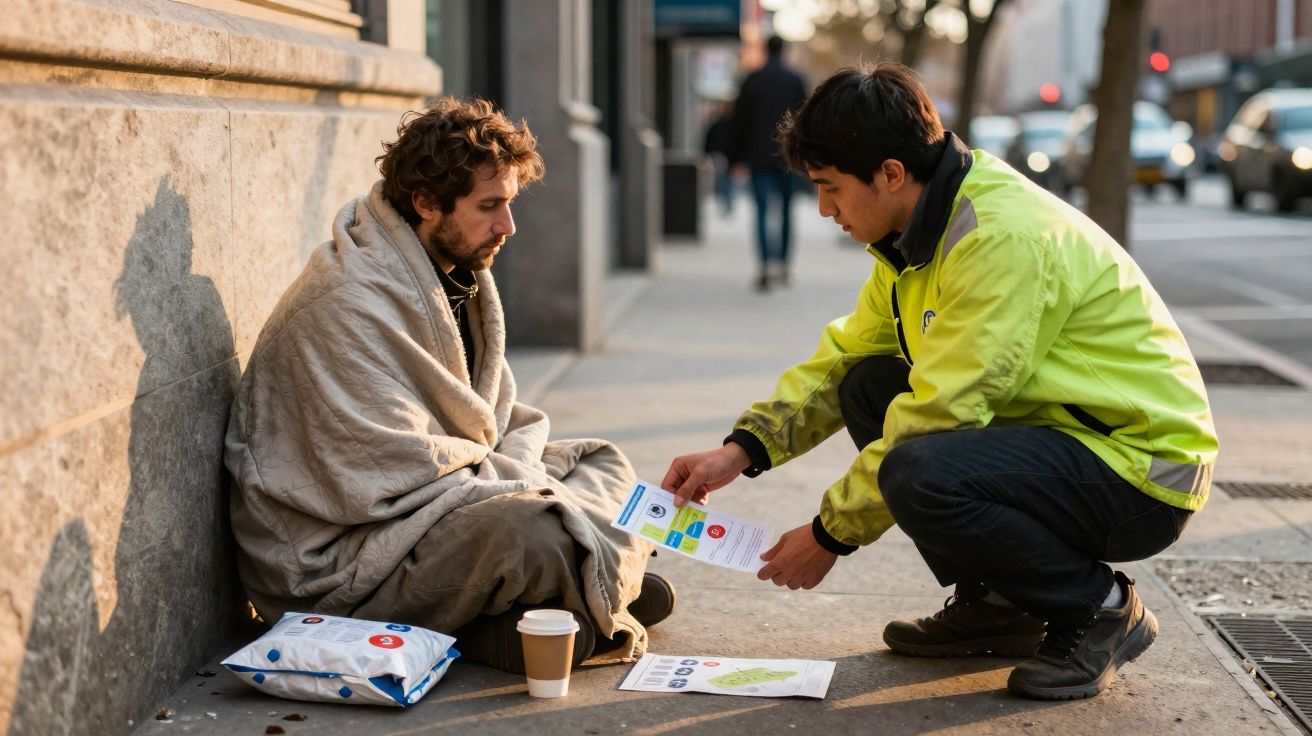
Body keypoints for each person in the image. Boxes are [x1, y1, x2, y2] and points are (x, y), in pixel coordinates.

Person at [662, 64, 1217, 701]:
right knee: (868, 384)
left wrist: (829, 534)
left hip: (1142, 469)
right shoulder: (916, 233)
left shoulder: (1000, 238)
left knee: (918, 469)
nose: (824, 209)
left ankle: (1100, 608)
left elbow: (942, 412)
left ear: (890, 174)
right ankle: (1002, 604)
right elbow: (845, 356)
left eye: (831, 188)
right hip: (1066, 439)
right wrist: (742, 450)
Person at [225, 98, 675, 674]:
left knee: (603, 465)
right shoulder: (346, 304)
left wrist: (537, 484)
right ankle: (588, 586)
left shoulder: (450, 275)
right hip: (346, 565)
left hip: (437, 508)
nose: (507, 226)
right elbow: (387, 474)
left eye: (509, 203)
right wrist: (542, 498)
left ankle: (580, 588)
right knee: (533, 532)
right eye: (489, 207)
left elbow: (488, 425)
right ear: (426, 203)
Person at [731, 35, 808, 291]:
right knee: (787, 212)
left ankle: (765, 265)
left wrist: (736, 158)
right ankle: (784, 265)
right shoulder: (795, 80)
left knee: (762, 212)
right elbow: (805, 120)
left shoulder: (753, 79)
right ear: (784, 51)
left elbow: (739, 122)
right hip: (789, 158)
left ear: (765, 50)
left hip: (758, 157)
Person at [703, 100, 737, 217]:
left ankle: (726, 202)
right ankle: (725, 202)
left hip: (727, 158)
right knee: (722, 181)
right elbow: (709, 141)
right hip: (719, 157)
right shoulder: (718, 126)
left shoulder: (732, 126)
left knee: (726, 182)